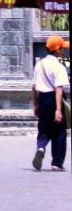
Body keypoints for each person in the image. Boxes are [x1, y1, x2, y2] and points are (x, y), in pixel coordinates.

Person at [31, 35, 70, 171]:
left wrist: (35, 105)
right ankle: (57, 163)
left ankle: (41, 147)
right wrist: (58, 110)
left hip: (42, 99)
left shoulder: (39, 65)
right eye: (62, 48)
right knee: (59, 132)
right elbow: (59, 88)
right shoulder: (59, 67)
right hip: (55, 99)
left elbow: (34, 87)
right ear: (57, 50)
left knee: (43, 129)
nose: (64, 51)